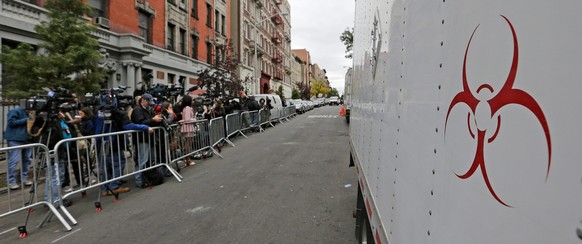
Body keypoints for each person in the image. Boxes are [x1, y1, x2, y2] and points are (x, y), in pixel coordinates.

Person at [130, 93, 164, 188]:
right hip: (141, 139)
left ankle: (146, 178)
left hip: (148, 138)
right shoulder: (137, 110)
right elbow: (140, 123)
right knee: (142, 160)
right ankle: (139, 180)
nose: (150, 104)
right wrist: (153, 119)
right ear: (143, 100)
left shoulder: (147, 110)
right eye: (148, 102)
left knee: (149, 159)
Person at [4, 104, 32, 190]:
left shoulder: (30, 113)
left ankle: (23, 178)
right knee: (14, 160)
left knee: (27, 160)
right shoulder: (15, 111)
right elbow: (11, 123)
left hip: (27, 139)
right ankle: (11, 181)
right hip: (15, 139)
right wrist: (27, 119)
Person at [178, 95, 196, 166]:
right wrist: (195, 119)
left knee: (187, 144)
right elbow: (187, 119)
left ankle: (187, 159)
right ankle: (188, 159)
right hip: (188, 127)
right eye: (192, 100)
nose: (193, 101)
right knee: (188, 144)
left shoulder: (185, 108)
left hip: (187, 127)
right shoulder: (188, 108)